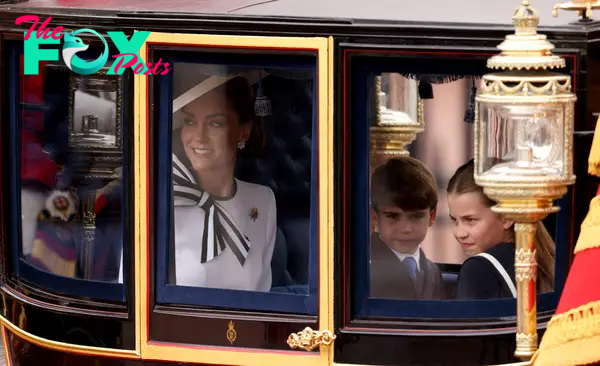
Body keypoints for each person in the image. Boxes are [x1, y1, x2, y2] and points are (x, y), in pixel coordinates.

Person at [171, 65, 276, 292]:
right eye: (190, 122)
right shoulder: (162, 201)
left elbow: (261, 297)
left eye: (215, 123)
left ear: (243, 132)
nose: (199, 137)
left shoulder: (262, 201)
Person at [447, 159, 555, 300]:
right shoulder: (548, 264)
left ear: (507, 217)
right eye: (454, 220)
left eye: (470, 220)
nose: (460, 233)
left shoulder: (478, 269)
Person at [369, 157, 444, 300]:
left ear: (432, 216)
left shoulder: (433, 273)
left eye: (416, 217)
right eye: (392, 216)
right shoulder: (360, 268)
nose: (406, 228)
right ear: (375, 217)